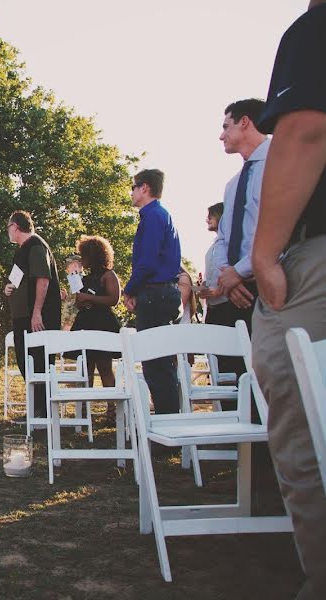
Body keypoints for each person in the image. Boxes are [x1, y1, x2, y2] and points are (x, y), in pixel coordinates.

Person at [251, 3, 326, 597]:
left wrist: (265, 255)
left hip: (316, 260)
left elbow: (305, 129)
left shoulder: (316, 26)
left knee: (303, 418)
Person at [209, 99, 270, 367]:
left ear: (245, 122)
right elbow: (224, 237)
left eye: (226, 126)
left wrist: (239, 272)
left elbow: (278, 231)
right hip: (237, 291)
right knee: (238, 375)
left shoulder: (280, 166)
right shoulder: (232, 185)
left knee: (271, 370)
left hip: (273, 284)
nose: (221, 135)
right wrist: (228, 275)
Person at [122, 169, 181, 415]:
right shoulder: (158, 215)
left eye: (134, 187)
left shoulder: (154, 216)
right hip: (161, 293)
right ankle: (168, 421)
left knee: (156, 364)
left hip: (156, 294)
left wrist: (128, 290)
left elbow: (147, 262)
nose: (132, 192)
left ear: (144, 188)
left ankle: (168, 425)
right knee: (158, 363)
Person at [3, 210, 62, 418]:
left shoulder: (36, 246)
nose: (7, 231)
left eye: (8, 227)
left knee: (39, 363)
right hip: (22, 317)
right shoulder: (21, 250)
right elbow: (17, 280)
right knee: (25, 361)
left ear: (16, 227)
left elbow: (43, 280)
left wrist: (37, 313)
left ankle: (44, 411)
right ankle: (37, 409)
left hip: (36, 318)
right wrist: (9, 288)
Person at [70, 235, 121, 389]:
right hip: (85, 323)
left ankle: (112, 408)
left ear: (92, 256)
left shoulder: (108, 275)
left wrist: (91, 299)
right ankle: (85, 408)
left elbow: (114, 299)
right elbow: (78, 302)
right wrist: (79, 294)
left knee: (105, 367)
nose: (81, 258)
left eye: (83, 255)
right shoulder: (84, 278)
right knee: (86, 369)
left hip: (103, 324)